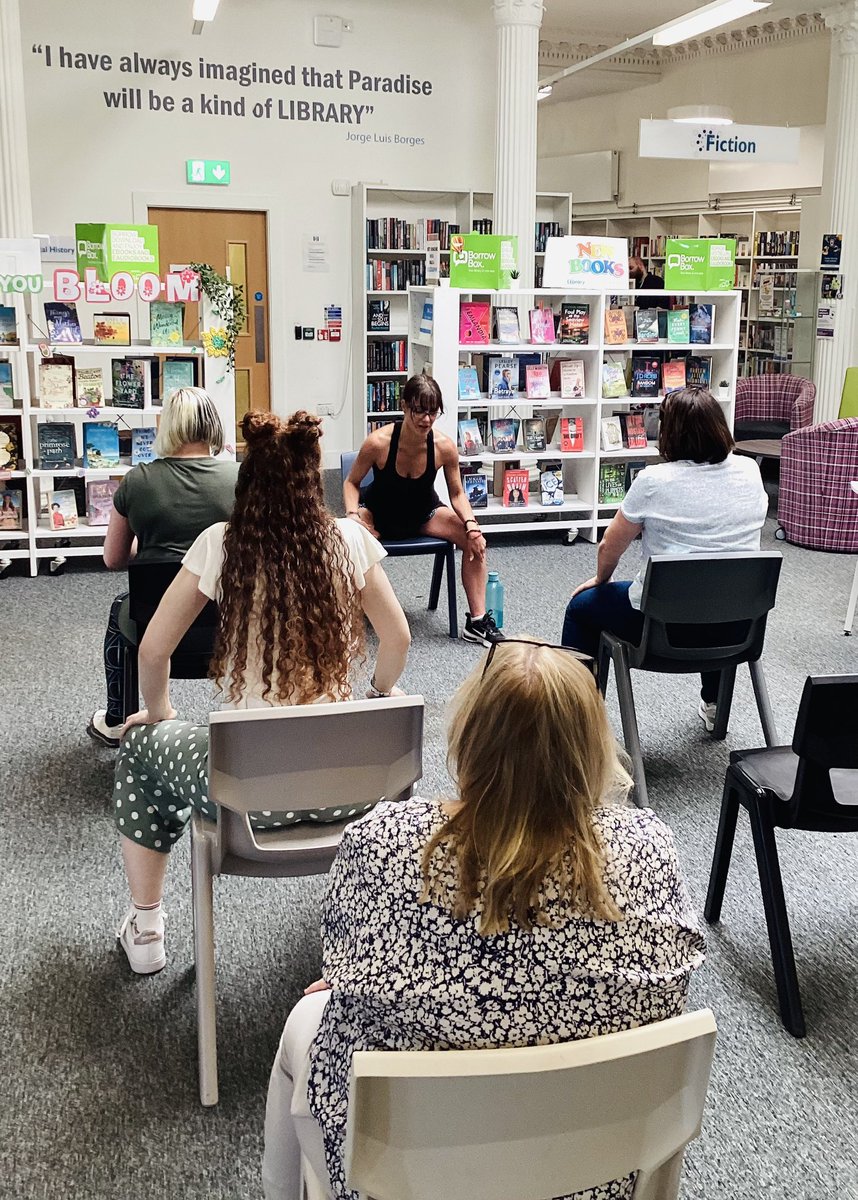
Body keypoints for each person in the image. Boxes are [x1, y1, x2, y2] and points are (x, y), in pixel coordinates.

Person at [262, 640, 705, 1200]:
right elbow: (668, 985)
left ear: (469, 736)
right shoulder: (649, 849)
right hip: (593, 1168)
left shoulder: (380, 843)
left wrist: (364, 976)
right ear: (592, 746)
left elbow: (342, 963)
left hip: (401, 1177)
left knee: (307, 1015)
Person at [112, 410, 411, 975]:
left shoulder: (221, 545)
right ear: (312, 480)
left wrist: (162, 716)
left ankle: (147, 927)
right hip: (354, 793)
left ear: (246, 481)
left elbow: (153, 651)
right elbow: (397, 638)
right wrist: (381, 692)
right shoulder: (349, 540)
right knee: (386, 711)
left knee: (137, 751)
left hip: (245, 801)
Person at [562, 386, 768, 731]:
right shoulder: (750, 470)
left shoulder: (653, 480)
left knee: (582, 607)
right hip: (738, 627)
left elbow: (609, 546)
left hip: (662, 632)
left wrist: (601, 580)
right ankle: (715, 703)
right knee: (715, 590)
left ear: (671, 432)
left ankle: (577, 724)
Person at [87, 387, 239, 747]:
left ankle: (116, 718)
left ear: (167, 426)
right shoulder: (242, 478)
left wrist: (149, 541)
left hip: (156, 632)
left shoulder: (137, 480)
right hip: (231, 627)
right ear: (213, 425)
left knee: (119, 609)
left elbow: (113, 558)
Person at [345, 374, 504, 645]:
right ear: (405, 407)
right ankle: (343, 619)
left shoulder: (444, 447)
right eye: (419, 410)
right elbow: (352, 482)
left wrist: (472, 525)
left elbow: (456, 493)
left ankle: (477, 622)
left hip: (423, 514)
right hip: (379, 514)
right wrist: (352, 517)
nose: (426, 419)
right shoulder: (378, 443)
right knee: (349, 537)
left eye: (433, 412)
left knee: (473, 539)